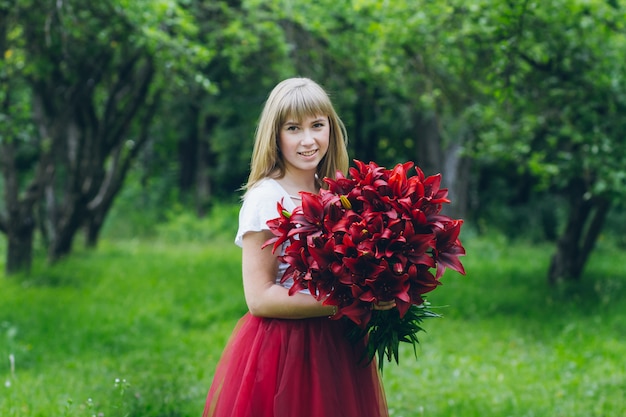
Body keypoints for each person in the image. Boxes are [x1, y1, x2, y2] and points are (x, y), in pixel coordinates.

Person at [202, 77, 393, 417]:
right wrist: (349, 299)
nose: (308, 140)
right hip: (285, 350)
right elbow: (259, 298)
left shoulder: (336, 193)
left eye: (317, 125)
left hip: (337, 344)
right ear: (275, 136)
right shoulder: (267, 198)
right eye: (293, 128)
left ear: (331, 129)